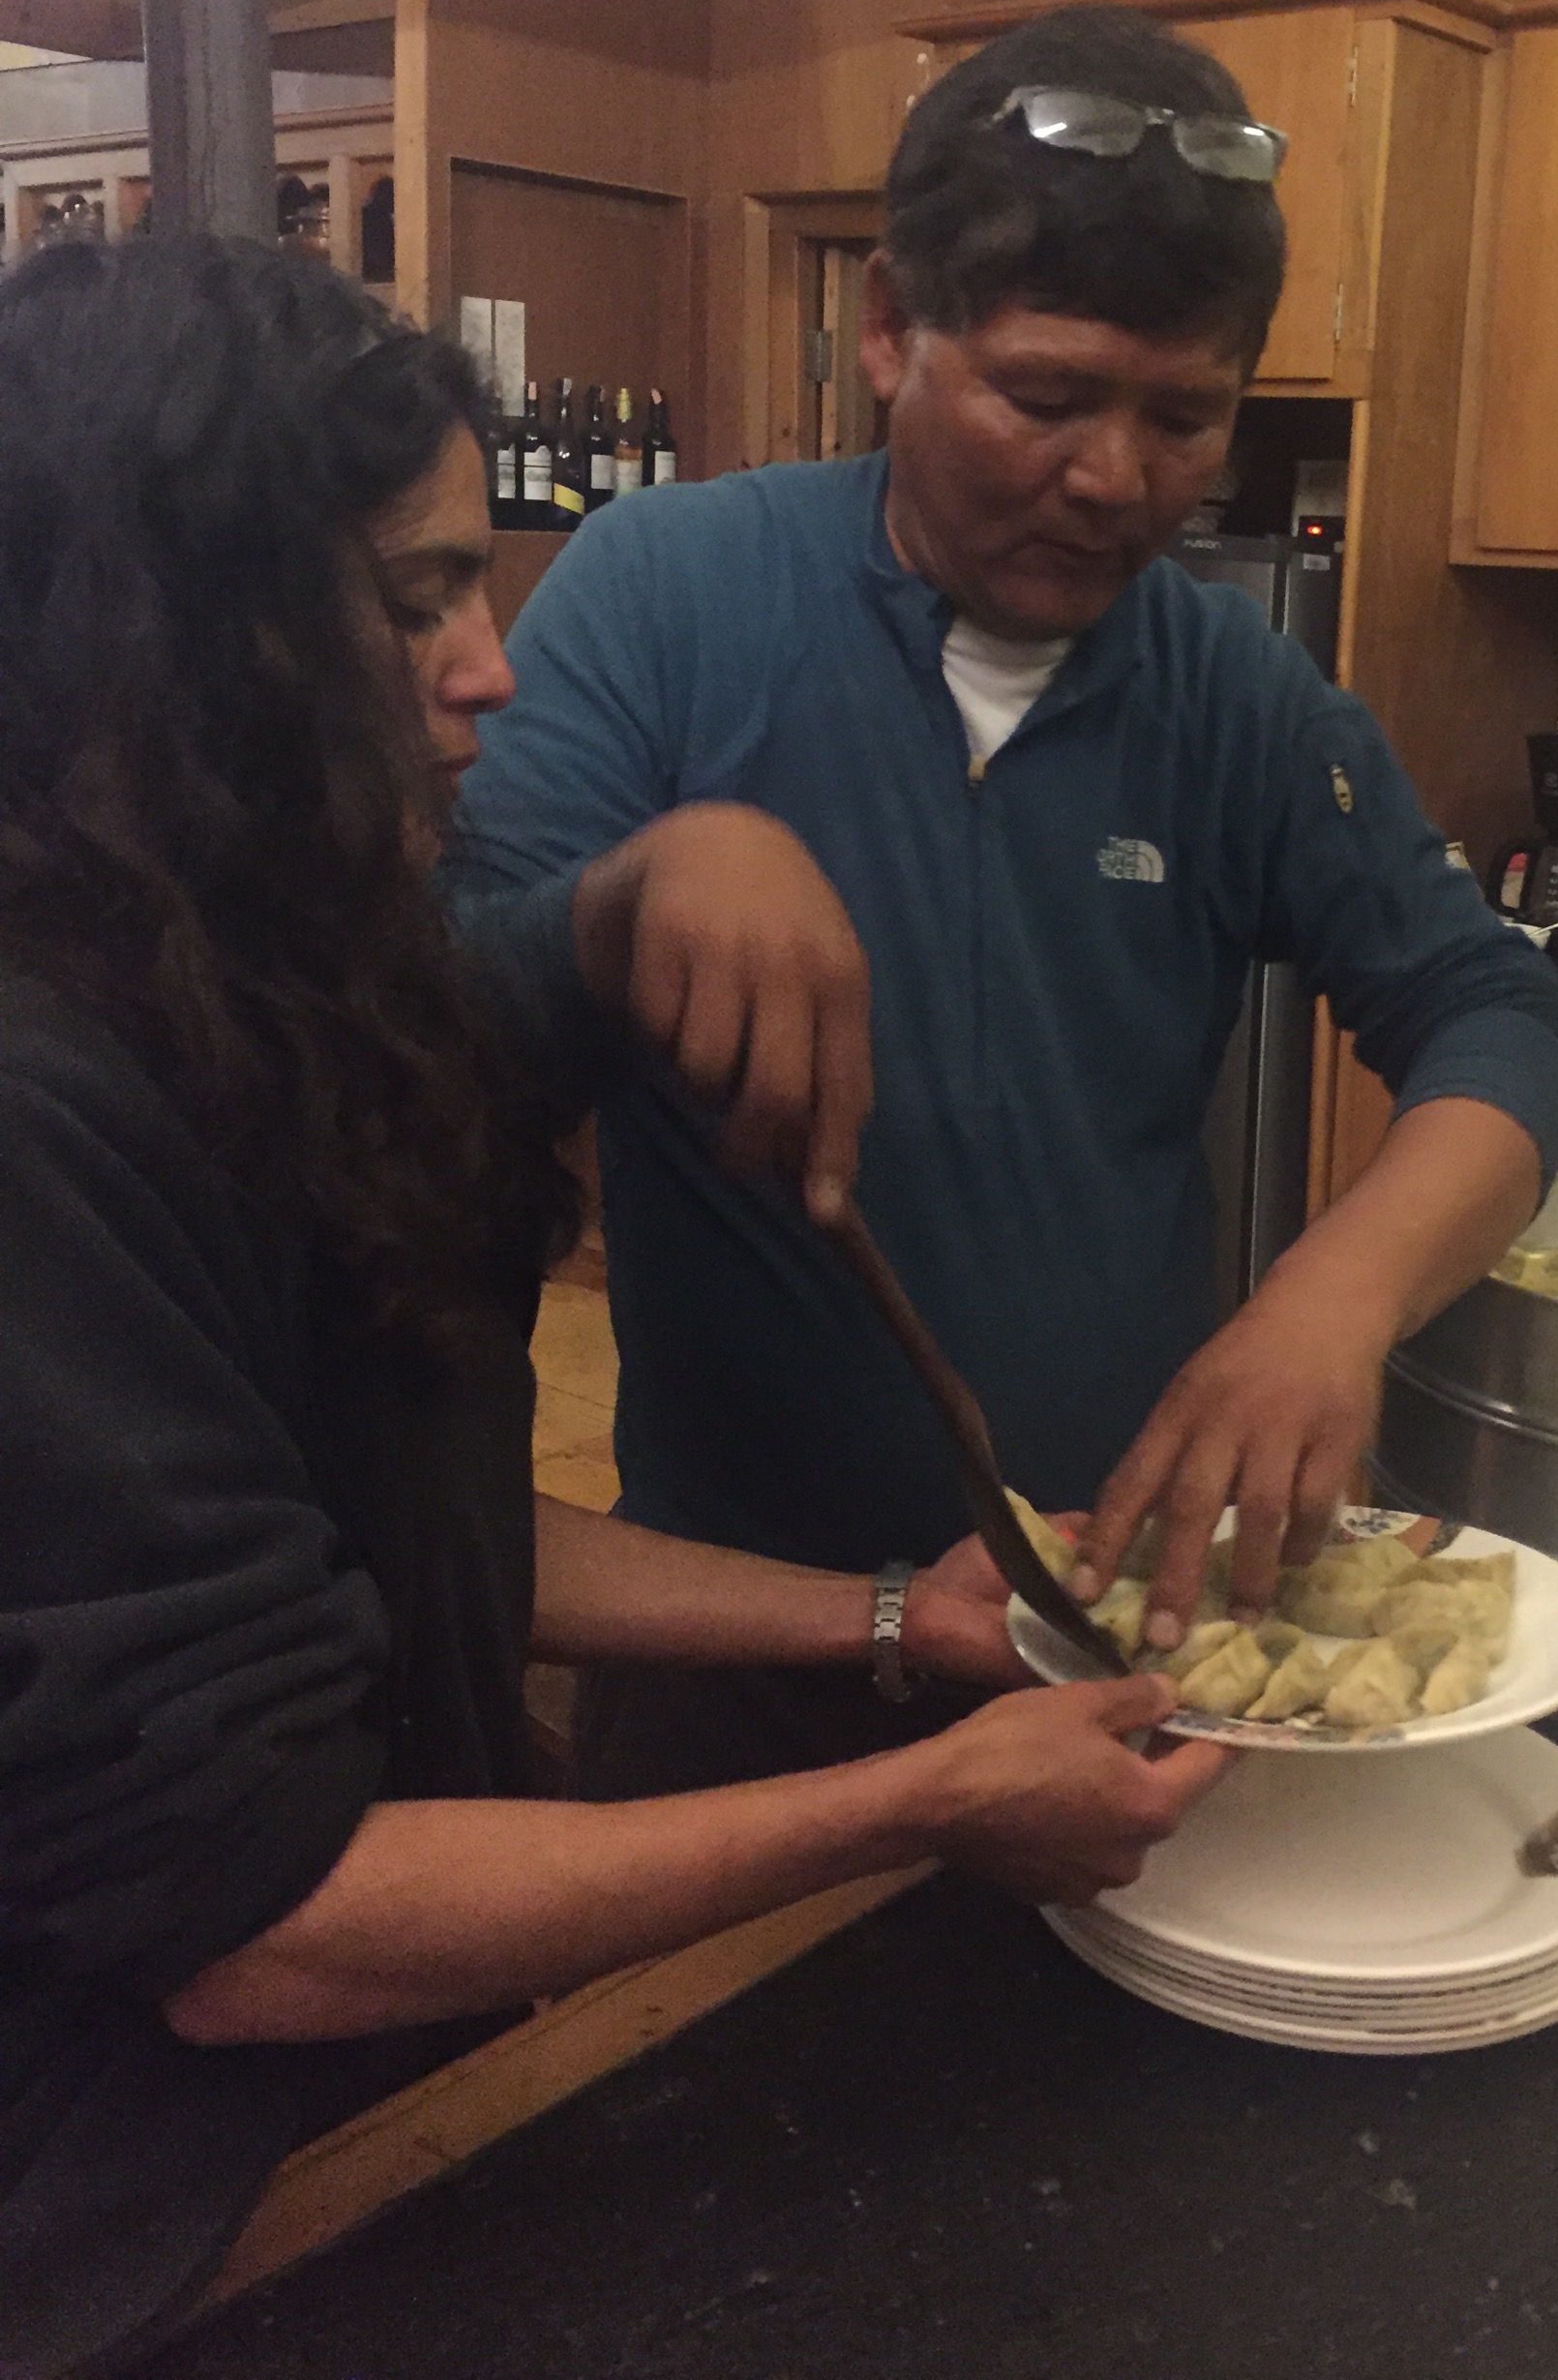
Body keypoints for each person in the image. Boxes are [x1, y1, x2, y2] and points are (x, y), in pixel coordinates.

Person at [0, 236, 1222, 2380]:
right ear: (166, 635)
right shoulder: (36, 1118)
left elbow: (405, 1531)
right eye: (417, 601)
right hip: (157, 2234)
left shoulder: (235, 988)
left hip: (395, 2098)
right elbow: (259, 1928)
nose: (489, 669)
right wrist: (922, 1804)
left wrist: (891, 1619)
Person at [452, 3, 1558, 1802]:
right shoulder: (664, 591)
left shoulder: (1234, 692)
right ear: (888, 329)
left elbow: (1500, 1020)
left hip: (1118, 1640)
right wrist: (629, 896)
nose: (1113, 478)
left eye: (1185, 416)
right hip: (739, 1643)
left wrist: (1332, 1300)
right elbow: (437, 1006)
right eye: (1045, 398)